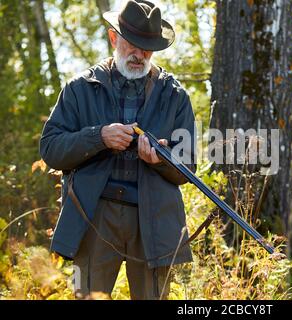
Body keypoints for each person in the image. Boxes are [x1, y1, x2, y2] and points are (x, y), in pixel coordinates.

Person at [39, 0, 196, 300]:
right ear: (114, 39)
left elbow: (188, 167)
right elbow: (50, 148)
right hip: (94, 217)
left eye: (147, 47)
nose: (139, 54)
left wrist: (161, 159)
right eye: (132, 44)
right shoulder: (79, 88)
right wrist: (98, 137)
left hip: (154, 221)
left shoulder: (175, 96)